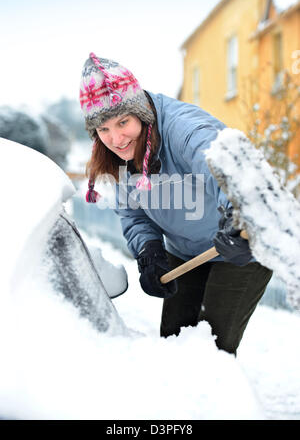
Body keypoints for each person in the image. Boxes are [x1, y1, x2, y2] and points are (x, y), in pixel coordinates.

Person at [79, 52, 272, 355]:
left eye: (123, 122)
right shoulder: (120, 156)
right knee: (173, 343)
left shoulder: (184, 129)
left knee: (213, 348)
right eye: (103, 130)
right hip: (185, 252)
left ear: (140, 111)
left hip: (241, 247)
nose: (116, 139)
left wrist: (240, 217)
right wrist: (149, 250)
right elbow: (133, 213)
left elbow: (228, 165)